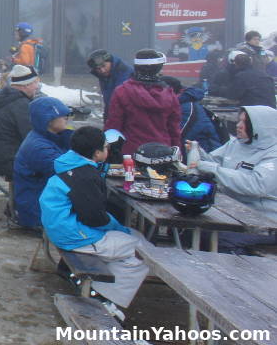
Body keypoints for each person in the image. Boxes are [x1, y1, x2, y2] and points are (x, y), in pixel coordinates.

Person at [39, 126, 149, 316]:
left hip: (60, 228)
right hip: (73, 236)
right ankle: (103, 299)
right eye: (106, 147)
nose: (109, 151)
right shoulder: (85, 176)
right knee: (145, 253)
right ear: (97, 153)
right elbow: (94, 218)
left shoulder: (68, 164)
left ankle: (96, 286)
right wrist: (118, 227)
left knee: (131, 239)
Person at [190, 106, 277, 252]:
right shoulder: (235, 144)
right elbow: (213, 162)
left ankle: (242, 272)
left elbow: (257, 185)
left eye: (246, 123)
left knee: (220, 240)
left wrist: (213, 169)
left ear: (261, 128)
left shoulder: (272, 154)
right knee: (190, 231)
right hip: (232, 215)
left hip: (265, 225)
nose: (238, 126)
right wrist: (197, 152)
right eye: (239, 120)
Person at [104, 49, 182, 157]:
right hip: (163, 153)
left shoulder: (122, 92)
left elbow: (114, 126)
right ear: (158, 69)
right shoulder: (170, 95)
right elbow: (174, 130)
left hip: (130, 153)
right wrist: (176, 153)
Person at [12, 96, 73, 229]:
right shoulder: (38, 146)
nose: (66, 118)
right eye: (62, 115)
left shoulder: (49, 137)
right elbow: (68, 174)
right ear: (48, 120)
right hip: (37, 211)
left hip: (41, 202)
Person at [0, 64, 39, 181]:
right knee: (55, 165)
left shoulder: (5, 98)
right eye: (35, 83)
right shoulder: (21, 104)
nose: (37, 86)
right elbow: (31, 136)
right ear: (26, 85)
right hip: (10, 162)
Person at [161, 75, 222, 153]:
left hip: (205, 156)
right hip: (189, 152)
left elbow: (177, 136)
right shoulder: (178, 104)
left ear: (170, 91)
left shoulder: (187, 108)